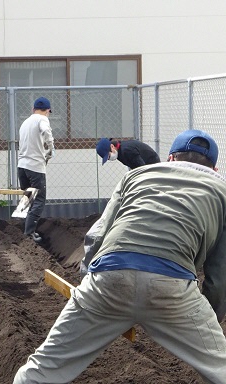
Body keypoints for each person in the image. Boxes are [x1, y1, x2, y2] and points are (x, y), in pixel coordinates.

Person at [14, 129, 226, 384]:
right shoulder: (221, 190)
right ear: (215, 168)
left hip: (110, 274)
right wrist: (209, 315)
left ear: (170, 159)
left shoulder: (137, 176)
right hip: (173, 285)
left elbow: (97, 235)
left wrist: (90, 284)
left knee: (44, 368)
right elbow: (220, 271)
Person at [17, 97, 55, 243]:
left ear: (33, 109)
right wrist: (50, 148)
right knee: (39, 199)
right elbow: (46, 132)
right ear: (47, 111)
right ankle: (29, 233)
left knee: (27, 198)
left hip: (22, 165)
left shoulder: (25, 122)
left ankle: (22, 229)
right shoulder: (42, 119)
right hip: (35, 166)